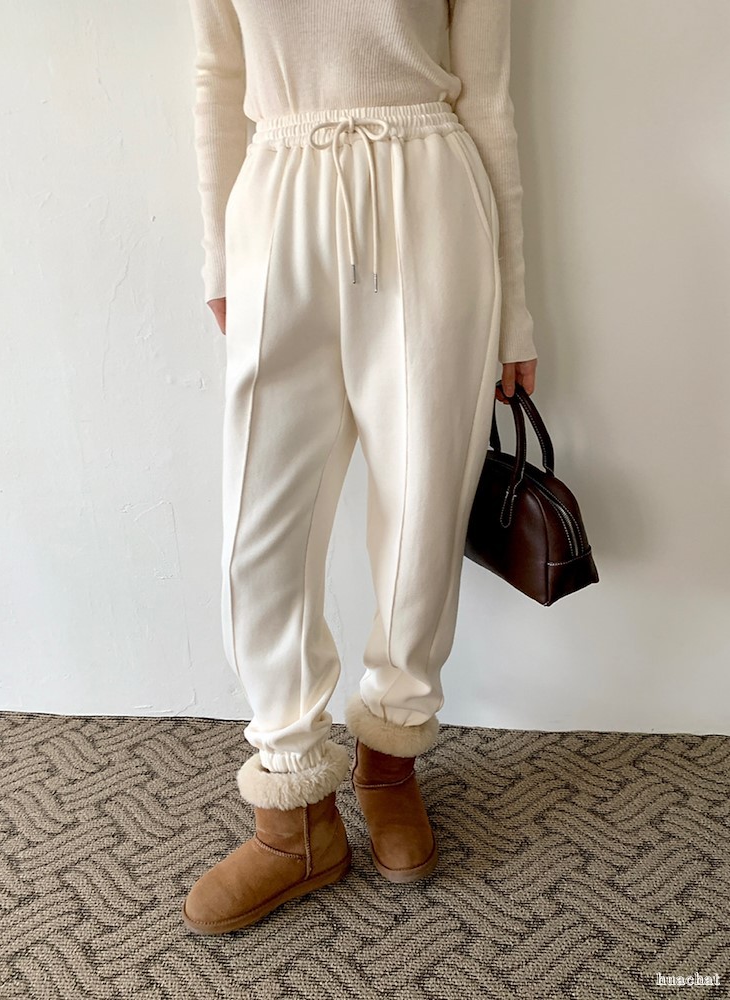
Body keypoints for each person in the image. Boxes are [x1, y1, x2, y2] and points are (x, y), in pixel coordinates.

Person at [183, 0, 538, 935]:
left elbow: (489, 97)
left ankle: (391, 756)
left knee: (423, 504)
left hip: (430, 193)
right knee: (259, 526)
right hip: (280, 192)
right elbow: (217, 73)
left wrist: (516, 309)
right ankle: (293, 809)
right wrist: (221, 257)